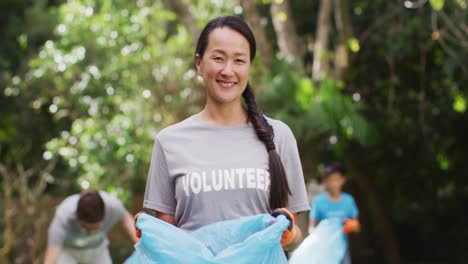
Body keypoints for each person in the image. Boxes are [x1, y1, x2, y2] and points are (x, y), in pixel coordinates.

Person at [141, 15, 310, 252]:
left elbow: (296, 236)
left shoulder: (278, 136)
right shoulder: (169, 142)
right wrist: (150, 234)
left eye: (239, 60)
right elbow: (167, 244)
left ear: (249, 66)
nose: (227, 70)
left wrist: (288, 234)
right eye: (218, 58)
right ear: (199, 63)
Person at [44, 190, 137, 264]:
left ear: (105, 213)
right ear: (76, 216)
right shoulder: (63, 215)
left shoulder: (113, 206)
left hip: (97, 250)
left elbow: (127, 219)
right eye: (85, 227)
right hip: (69, 251)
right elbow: (51, 254)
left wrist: (141, 245)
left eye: (94, 228)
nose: (90, 233)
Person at [309, 162, 360, 264]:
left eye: (336, 180)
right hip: (324, 250)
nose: (333, 184)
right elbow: (311, 228)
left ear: (342, 180)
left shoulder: (348, 200)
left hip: (343, 249)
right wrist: (316, 237)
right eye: (330, 180)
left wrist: (353, 226)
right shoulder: (319, 201)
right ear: (325, 182)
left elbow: (357, 227)